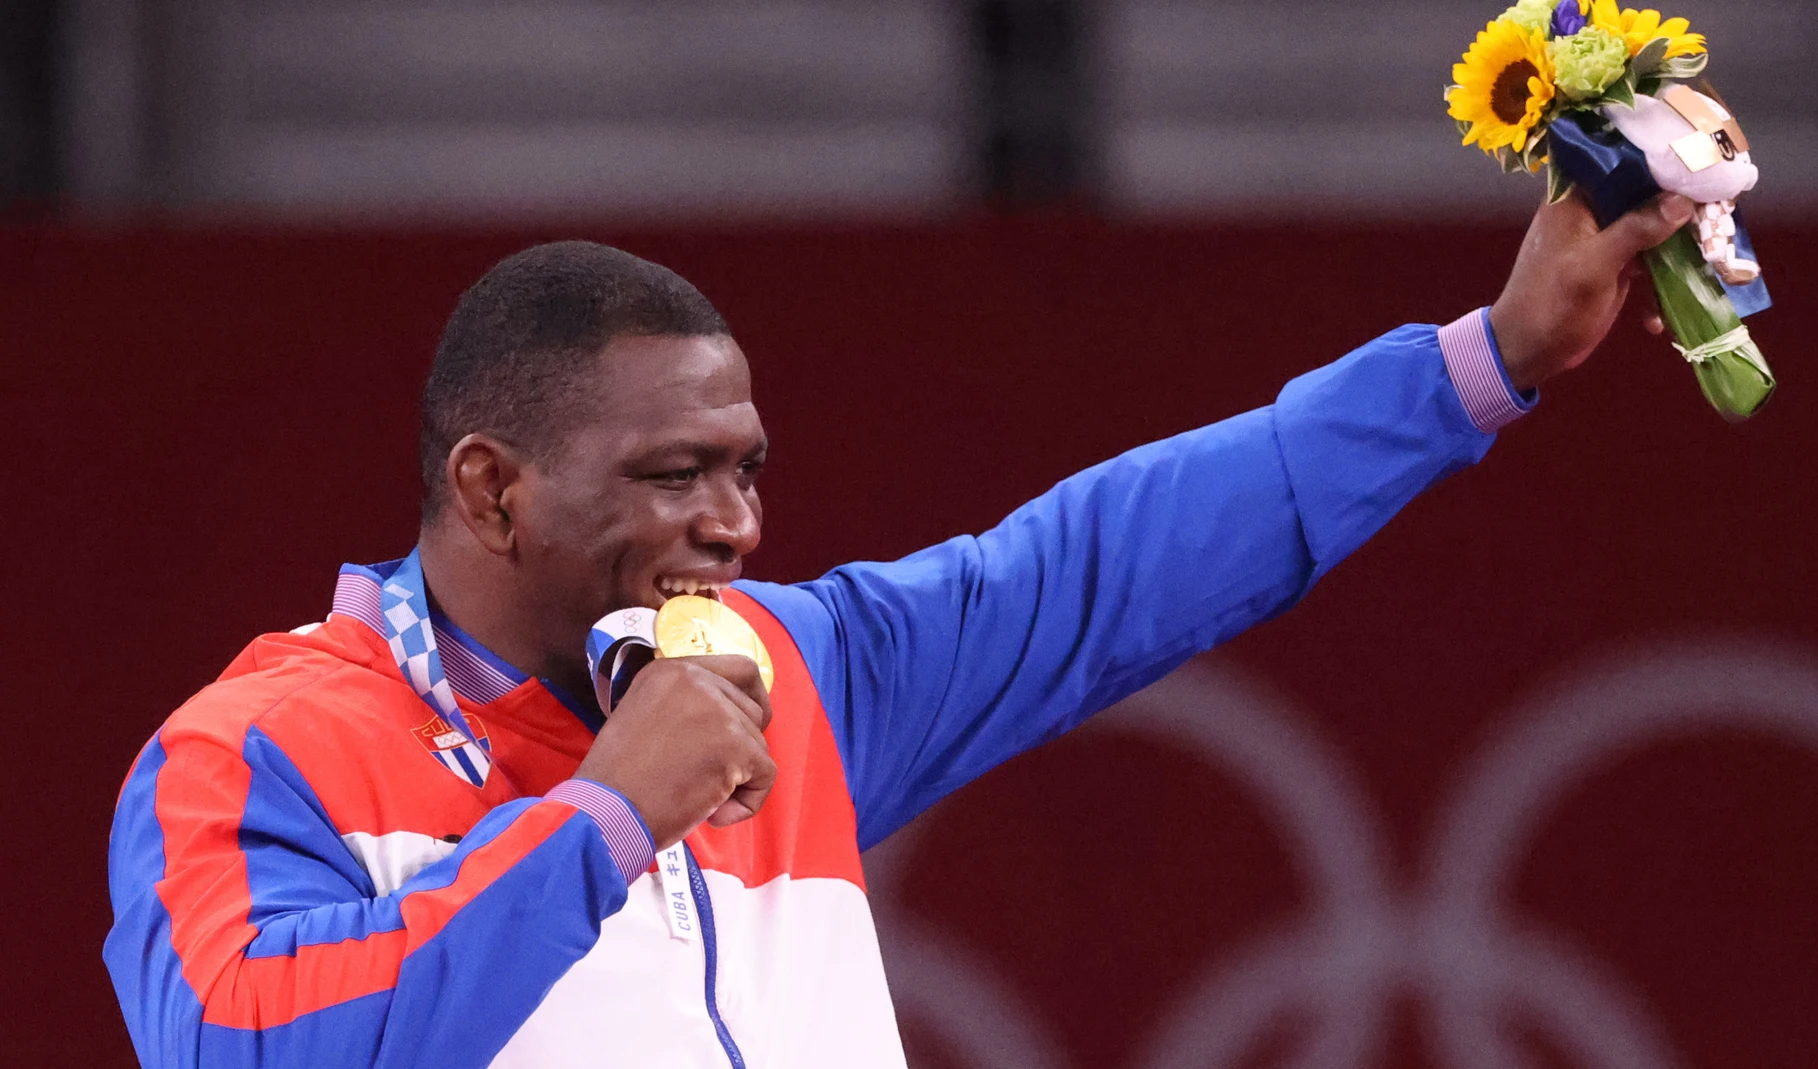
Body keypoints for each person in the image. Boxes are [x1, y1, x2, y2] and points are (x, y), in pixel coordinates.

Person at [104, 191, 1694, 1068]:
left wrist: (1488, 360)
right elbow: (251, 1048)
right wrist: (603, 817)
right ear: (491, 490)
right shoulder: (255, 753)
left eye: (745, 470)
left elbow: (1109, 564)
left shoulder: (782, 673)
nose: (736, 526)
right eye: (673, 476)